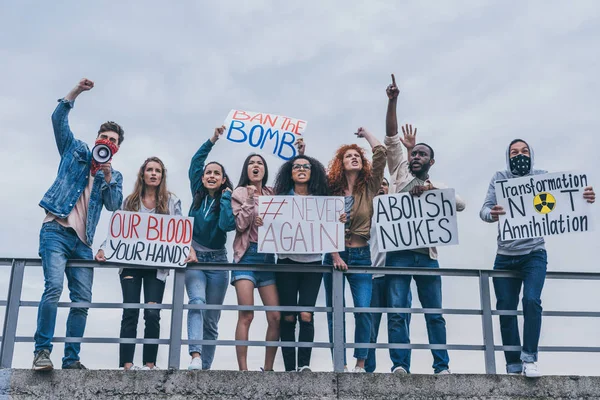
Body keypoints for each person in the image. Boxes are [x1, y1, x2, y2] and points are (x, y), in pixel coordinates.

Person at [480, 139, 595, 377]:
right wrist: (492, 214)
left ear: (531, 154)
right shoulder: (499, 177)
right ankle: (513, 363)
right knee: (505, 309)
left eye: (523, 151)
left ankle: (529, 358)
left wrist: (585, 197)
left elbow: (568, 198)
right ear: (507, 156)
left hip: (534, 254)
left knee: (532, 300)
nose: (519, 155)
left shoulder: (542, 177)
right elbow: (483, 210)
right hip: (505, 255)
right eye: (514, 152)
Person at [34, 78, 124, 370]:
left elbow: (113, 205)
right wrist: (76, 92)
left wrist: (108, 178)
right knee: (53, 288)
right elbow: (57, 118)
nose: (107, 142)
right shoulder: (75, 151)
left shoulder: (114, 175)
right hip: (56, 230)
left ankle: (71, 359)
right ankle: (42, 353)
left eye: (113, 140)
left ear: (117, 148)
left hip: (83, 243)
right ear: (97, 137)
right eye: (104, 137)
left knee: (83, 300)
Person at [383, 74, 465, 375]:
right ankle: (400, 365)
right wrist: (392, 101)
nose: (416, 156)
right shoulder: (400, 172)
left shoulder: (437, 184)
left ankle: (441, 367)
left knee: (434, 314)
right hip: (399, 255)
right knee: (397, 312)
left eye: (422, 155)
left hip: (427, 256)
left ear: (431, 162)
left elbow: (461, 204)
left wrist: (432, 191)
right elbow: (391, 138)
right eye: (414, 153)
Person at [96, 157, 180, 371]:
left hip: (156, 265)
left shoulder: (171, 202)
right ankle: (127, 364)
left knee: (152, 314)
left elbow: (179, 232)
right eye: (150, 170)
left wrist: (187, 250)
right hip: (131, 263)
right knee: (130, 311)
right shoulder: (130, 201)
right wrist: (104, 248)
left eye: (157, 170)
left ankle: (149, 364)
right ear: (143, 174)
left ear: (162, 176)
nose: (153, 173)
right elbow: (117, 230)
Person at [324, 127, 387, 373]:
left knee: (363, 310)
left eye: (358, 156)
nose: (354, 158)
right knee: (335, 312)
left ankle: (360, 364)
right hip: (334, 255)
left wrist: (366, 134)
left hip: (361, 256)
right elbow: (318, 224)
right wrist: (335, 255)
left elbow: (381, 153)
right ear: (341, 163)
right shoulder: (330, 191)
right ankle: (339, 364)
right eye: (349, 156)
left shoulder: (368, 188)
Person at [272, 140, 330, 372]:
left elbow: (330, 227)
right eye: (297, 166)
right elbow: (271, 226)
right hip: (286, 263)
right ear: (290, 172)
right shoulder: (279, 199)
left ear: (313, 172)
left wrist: (339, 220)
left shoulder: (322, 199)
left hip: (312, 264)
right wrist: (262, 221)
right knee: (288, 317)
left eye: (306, 166)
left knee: (306, 315)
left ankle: (304, 364)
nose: (302, 169)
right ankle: (288, 367)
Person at [185, 125, 235, 370]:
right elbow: (196, 161)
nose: (211, 176)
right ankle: (194, 355)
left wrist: (226, 198)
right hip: (194, 257)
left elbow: (227, 226)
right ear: (203, 178)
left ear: (223, 179)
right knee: (197, 302)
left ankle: (205, 367)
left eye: (217, 173)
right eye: (208, 173)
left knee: (212, 319)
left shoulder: (228, 199)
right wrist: (213, 139)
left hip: (218, 262)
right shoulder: (197, 192)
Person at [231, 153, 279, 371]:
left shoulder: (272, 193)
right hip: (247, 256)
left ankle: (268, 369)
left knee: (276, 316)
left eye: (259, 163)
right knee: (247, 314)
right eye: (251, 163)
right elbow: (240, 225)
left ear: (264, 169)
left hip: (268, 258)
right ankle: (243, 370)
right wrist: (250, 201)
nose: (256, 166)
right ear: (246, 169)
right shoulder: (239, 192)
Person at [364, 178, 412, 373]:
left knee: (398, 320)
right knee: (369, 325)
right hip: (372, 276)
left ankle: (400, 365)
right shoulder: (365, 216)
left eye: (384, 183)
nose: (381, 187)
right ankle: (367, 368)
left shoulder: (400, 211)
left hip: (396, 275)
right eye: (377, 184)